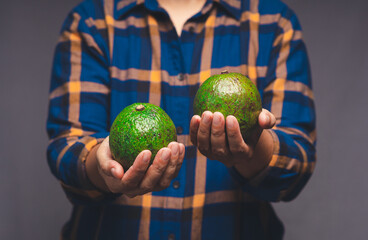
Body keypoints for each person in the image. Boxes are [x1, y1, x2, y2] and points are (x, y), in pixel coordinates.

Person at [47, 0, 316, 239]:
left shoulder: (274, 21)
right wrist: (103, 166)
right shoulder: (91, 21)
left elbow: (297, 164)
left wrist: (252, 149)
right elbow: (67, 150)